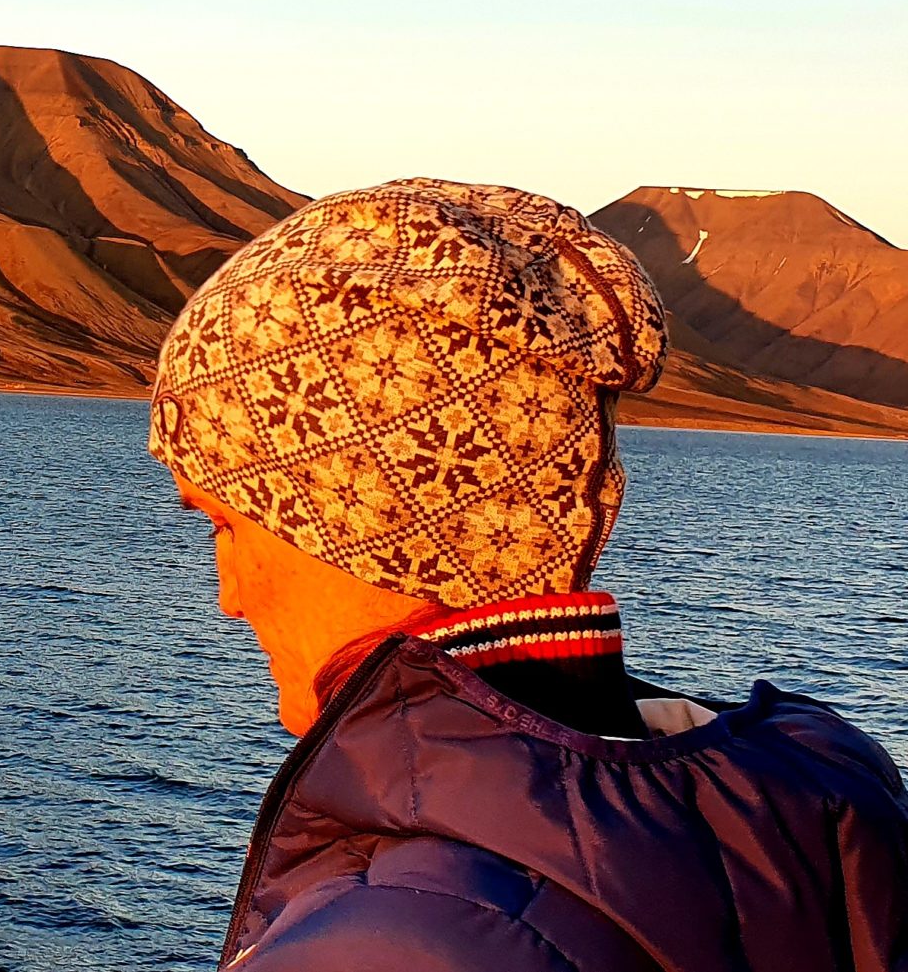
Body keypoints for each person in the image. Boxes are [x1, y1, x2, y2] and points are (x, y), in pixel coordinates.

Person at [147, 177, 908, 972]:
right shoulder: (813, 805)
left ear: (368, 517)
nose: (228, 595)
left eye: (224, 522)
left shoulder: (390, 945)